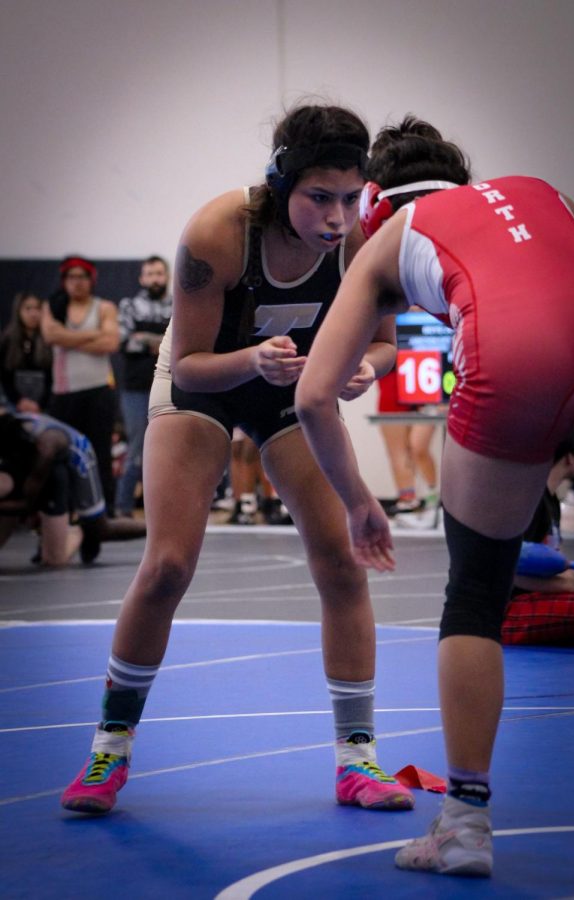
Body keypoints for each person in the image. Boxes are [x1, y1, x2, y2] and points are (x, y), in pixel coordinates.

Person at [60, 103, 414, 816]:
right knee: (166, 567)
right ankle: (109, 751)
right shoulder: (219, 233)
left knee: (343, 562)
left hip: (291, 389)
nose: (338, 218)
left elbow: (385, 343)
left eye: (351, 198)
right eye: (320, 197)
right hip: (207, 381)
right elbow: (187, 366)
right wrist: (253, 358)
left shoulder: (364, 240)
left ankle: (358, 761)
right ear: (281, 184)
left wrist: (361, 369)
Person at [295, 115, 574, 877]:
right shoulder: (542, 192)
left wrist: (361, 501)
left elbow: (311, 398)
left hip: (510, 349)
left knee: (475, 596)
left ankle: (463, 826)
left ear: (371, 202)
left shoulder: (396, 234)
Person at [0, 410, 146, 566]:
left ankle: (153, 527)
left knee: (100, 528)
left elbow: (27, 503)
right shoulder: (13, 427)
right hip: (36, 464)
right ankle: (56, 534)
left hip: (77, 456)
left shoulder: (46, 447)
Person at [502, 427, 574, 646]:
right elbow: (506, 570)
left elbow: (548, 562)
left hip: (530, 599)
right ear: (569, 458)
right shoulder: (529, 500)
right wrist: (573, 584)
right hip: (507, 612)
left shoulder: (550, 500)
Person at [41, 255, 119, 514]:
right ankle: (65, 508)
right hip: (64, 394)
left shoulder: (104, 307)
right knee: (63, 454)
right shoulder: (52, 307)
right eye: (71, 277)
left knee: (100, 453)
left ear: (91, 280)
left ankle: (104, 511)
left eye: (82, 277)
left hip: (98, 392)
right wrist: (94, 335)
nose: (77, 283)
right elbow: (50, 335)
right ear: (64, 280)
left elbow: (110, 343)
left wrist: (67, 338)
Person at [115, 256, 172, 517]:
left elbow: (184, 340)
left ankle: (163, 511)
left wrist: (145, 339)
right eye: (149, 274)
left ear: (167, 276)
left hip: (170, 385)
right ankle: (123, 507)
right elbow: (124, 342)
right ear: (141, 278)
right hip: (136, 388)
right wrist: (163, 341)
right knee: (137, 448)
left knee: (170, 450)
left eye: (159, 273)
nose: (155, 279)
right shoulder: (129, 306)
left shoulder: (178, 302)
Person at [376, 367, 438, 515]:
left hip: (425, 386)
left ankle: (433, 499)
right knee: (398, 453)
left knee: (418, 448)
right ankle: (408, 501)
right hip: (392, 388)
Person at [0, 292, 53, 412]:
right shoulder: (7, 339)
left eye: (37, 308)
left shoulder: (50, 339)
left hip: (43, 406)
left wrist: (40, 404)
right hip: (13, 403)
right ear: (18, 311)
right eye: (28, 308)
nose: (33, 313)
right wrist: (18, 401)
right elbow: (4, 377)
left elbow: (52, 379)